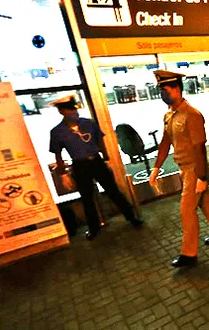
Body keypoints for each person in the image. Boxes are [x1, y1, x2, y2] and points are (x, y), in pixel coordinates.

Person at [148, 70, 209, 268]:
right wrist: (156, 167)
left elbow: (199, 149)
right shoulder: (169, 114)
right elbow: (165, 141)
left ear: (177, 89)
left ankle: (189, 253)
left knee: (186, 210)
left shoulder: (192, 115)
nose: (162, 93)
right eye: (160, 89)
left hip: (194, 168)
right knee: (205, 201)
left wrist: (202, 177)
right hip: (183, 167)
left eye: (165, 89)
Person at [49, 95, 142, 240]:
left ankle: (131, 217)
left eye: (74, 109)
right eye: (69, 110)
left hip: (96, 162)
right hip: (80, 165)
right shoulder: (57, 132)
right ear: (61, 112)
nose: (73, 112)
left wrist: (106, 158)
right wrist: (63, 174)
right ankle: (94, 227)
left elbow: (100, 139)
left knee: (113, 191)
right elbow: (58, 154)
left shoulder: (88, 123)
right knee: (87, 198)